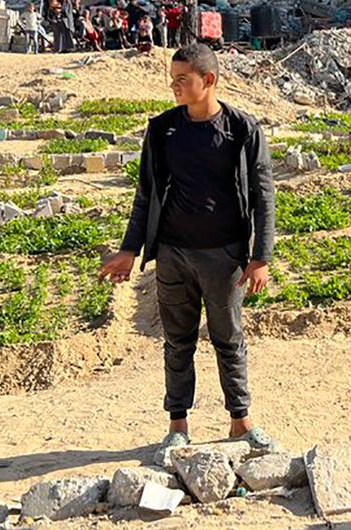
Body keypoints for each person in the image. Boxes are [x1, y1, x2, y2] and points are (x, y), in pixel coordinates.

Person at [98, 43, 279, 463]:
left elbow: (264, 198)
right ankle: (177, 425)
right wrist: (130, 248)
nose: (174, 87)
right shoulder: (162, 130)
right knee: (177, 342)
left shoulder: (243, 130)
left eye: (183, 80)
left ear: (208, 80)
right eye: (173, 79)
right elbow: (146, 194)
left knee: (228, 339)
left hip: (225, 257)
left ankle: (241, 422)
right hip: (174, 255)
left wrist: (261, 257)